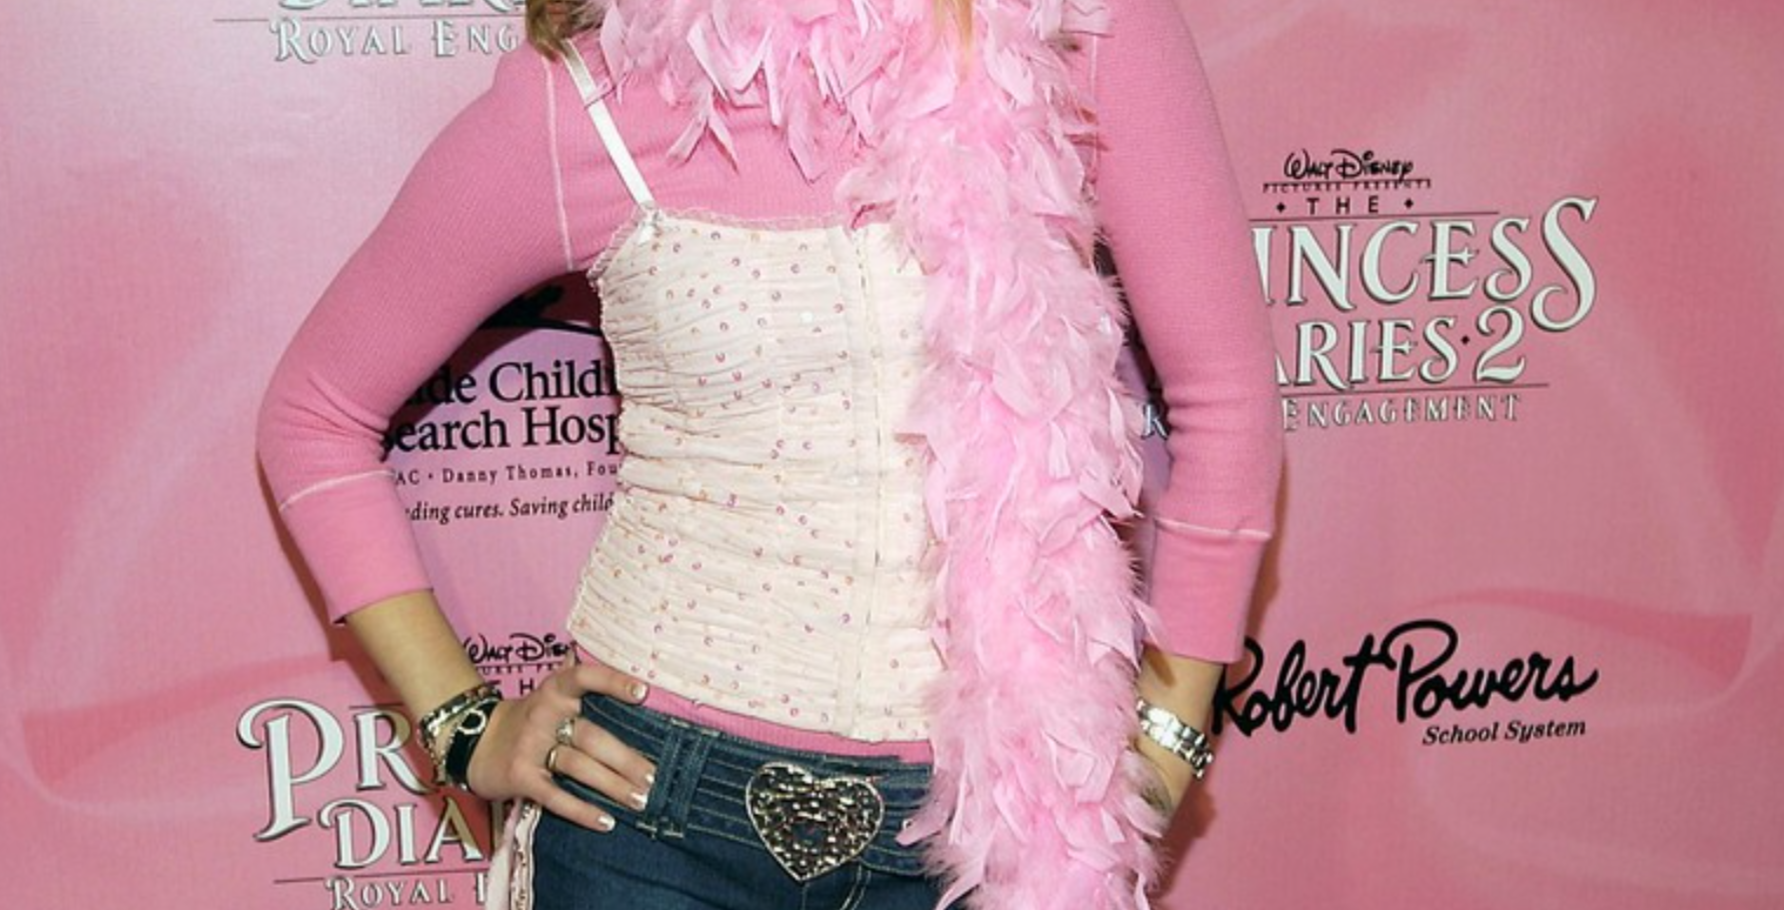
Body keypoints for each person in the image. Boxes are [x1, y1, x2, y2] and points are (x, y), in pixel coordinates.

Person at [256, 0, 1283, 907]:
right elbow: (315, 413)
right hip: (640, 823)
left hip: (991, 844)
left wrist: (1164, 742)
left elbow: (1226, 402)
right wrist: (463, 725)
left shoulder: (1078, 28)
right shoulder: (586, 95)